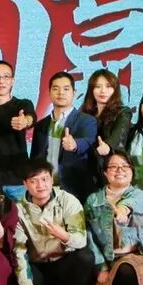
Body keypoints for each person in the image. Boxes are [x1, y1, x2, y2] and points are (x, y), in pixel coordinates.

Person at [12, 158, 95, 285]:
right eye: (34, 181)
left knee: (85, 257)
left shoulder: (69, 201)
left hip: (62, 264)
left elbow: (81, 240)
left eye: (44, 179)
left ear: (52, 179)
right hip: (37, 266)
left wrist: (64, 236)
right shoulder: (18, 209)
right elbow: (18, 251)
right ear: (25, 184)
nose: (40, 185)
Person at [84, 152, 143, 285]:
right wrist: (101, 267)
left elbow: (132, 205)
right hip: (107, 261)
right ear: (105, 173)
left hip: (132, 257)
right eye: (113, 167)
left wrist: (121, 211)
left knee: (125, 268)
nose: (119, 170)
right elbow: (89, 236)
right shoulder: (93, 200)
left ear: (132, 171)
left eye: (124, 166)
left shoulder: (140, 195)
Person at [29, 71, 97, 202]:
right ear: (50, 92)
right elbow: (35, 158)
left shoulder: (86, 120)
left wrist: (75, 145)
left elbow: (89, 142)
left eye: (66, 89)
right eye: (56, 88)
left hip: (74, 190)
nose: (61, 93)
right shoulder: (41, 125)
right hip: (45, 191)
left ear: (74, 93)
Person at [0, 60, 36, 199]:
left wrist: (25, 121)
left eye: (5, 76)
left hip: (17, 180)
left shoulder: (22, 104)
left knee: (20, 213)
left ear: (12, 81)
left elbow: (31, 117)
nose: (1, 81)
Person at [81, 68, 132, 187]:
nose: (103, 91)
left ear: (115, 89)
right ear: (91, 90)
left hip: (110, 171)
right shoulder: (84, 114)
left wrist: (108, 146)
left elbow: (119, 135)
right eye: (98, 86)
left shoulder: (123, 112)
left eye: (108, 86)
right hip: (86, 171)